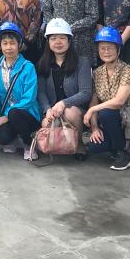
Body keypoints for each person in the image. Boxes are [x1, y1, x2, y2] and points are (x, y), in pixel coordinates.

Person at [84, 26, 130, 170]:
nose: (106, 52)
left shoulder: (128, 70)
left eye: (110, 48)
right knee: (95, 147)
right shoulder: (97, 73)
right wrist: (95, 128)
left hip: (127, 118)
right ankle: (116, 143)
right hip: (107, 121)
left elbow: (119, 102)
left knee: (106, 113)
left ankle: (122, 153)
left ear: (118, 50)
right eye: (102, 48)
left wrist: (92, 110)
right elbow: (94, 101)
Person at [36, 18, 91, 160]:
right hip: (52, 110)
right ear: (48, 42)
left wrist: (63, 103)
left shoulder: (82, 62)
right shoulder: (43, 63)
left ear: (69, 40)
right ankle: (60, 144)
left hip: (76, 110)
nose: (58, 42)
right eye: (53, 38)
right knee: (46, 123)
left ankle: (79, 145)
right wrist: (47, 109)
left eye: (62, 38)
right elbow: (41, 92)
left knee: (70, 112)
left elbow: (86, 92)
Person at [0, 22, 40, 159]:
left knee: (14, 114)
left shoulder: (28, 67)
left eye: (12, 43)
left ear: (19, 44)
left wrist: (5, 117)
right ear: (0, 45)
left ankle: (29, 143)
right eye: (4, 43)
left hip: (27, 114)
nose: (8, 47)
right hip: (7, 112)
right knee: (3, 137)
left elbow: (29, 98)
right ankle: (15, 139)